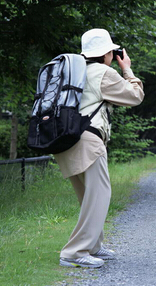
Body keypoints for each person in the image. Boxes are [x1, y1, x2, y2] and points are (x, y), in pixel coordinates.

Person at [54, 28, 144, 268]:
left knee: (87, 197)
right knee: (100, 195)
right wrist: (126, 69)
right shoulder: (104, 72)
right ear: (106, 53)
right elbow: (135, 96)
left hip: (65, 139)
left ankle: (93, 245)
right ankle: (75, 252)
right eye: (112, 52)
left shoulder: (71, 71)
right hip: (88, 140)